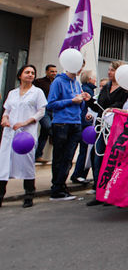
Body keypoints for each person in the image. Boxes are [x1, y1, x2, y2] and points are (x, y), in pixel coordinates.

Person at [0, 65, 46, 208]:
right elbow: (7, 110)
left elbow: (41, 112)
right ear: (20, 75)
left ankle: (29, 194)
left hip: (26, 133)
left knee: (26, 163)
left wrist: (26, 122)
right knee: (4, 164)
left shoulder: (37, 92)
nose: (30, 75)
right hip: (10, 132)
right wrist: (5, 119)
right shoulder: (13, 93)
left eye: (33, 73)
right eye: (27, 72)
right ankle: (0, 195)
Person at [87, 61, 128, 206]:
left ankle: (111, 191)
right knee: (97, 157)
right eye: (109, 70)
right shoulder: (106, 87)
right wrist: (88, 100)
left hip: (115, 127)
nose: (109, 72)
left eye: (112, 70)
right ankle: (99, 190)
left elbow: (123, 106)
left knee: (112, 159)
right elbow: (98, 105)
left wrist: (112, 109)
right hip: (101, 126)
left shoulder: (125, 89)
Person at [46, 60, 90, 201]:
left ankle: (61, 185)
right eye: (79, 66)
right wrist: (71, 101)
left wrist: (83, 100)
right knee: (59, 156)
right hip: (61, 123)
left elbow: (79, 105)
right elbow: (51, 104)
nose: (80, 69)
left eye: (82, 66)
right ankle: (56, 188)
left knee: (69, 157)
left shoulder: (77, 83)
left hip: (76, 123)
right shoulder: (58, 82)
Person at [70, 70, 96, 184]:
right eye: (94, 78)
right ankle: (79, 174)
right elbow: (86, 108)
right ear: (89, 79)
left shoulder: (85, 88)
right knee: (84, 150)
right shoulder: (88, 90)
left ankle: (79, 174)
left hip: (83, 123)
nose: (95, 80)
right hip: (85, 124)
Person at [33, 64, 56, 163]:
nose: (54, 73)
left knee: (44, 133)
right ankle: (54, 136)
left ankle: (38, 155)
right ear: (46, 72)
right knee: (47, 127)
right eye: (52, 71)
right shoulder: (39, 82)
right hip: (44, 109)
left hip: (54, 109)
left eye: (55, 71)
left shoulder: (57, 83)